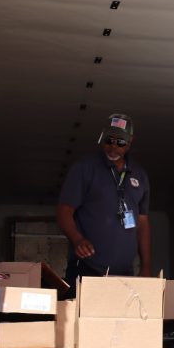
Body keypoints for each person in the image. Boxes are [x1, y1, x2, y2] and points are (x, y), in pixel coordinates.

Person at [56, 113, 152, 297]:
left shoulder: (140, 176)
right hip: (86, 269)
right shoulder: (84, 168)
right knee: (79, 322)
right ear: (102, 137)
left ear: (130, 142)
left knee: (119, 324)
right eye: (109, 140)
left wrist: (146, 266)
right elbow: (64, 210)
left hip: (124, 274)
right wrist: (77, 239)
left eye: (120, 143)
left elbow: (143, 223)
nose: (113, 147)